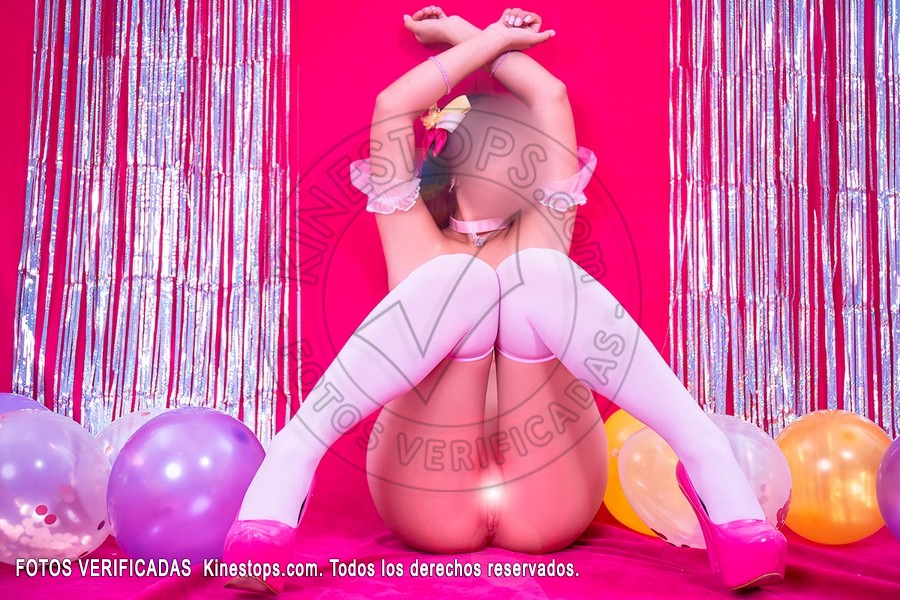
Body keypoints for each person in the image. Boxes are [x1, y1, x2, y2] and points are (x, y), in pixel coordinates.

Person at [222, 7, 786, 594]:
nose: (522, 158)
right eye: (500, 146)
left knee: (534, 271)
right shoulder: (410, 233)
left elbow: (550, 94)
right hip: (429, 490)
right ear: (452, 167)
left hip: (547, 495)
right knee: (458, 280)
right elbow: (393, 106)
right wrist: (490, 38)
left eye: (525, 149)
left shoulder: (543, 232)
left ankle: (707, 458)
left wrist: (463, 33)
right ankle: (293, 456)